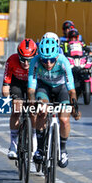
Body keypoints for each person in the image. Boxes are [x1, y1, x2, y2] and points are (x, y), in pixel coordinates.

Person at [27, 38, 81, 168]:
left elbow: (71, 89)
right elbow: (31, 88)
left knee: (64, 119)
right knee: (42, 111)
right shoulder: (35, 61)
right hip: (44, 88)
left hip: (61, 88)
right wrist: (33, 103)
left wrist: (74, 107)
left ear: (57, 56)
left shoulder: (63, 61)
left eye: (51, 59)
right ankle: (40, 149)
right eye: (45, 60)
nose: (48, 63)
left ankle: (62, 150)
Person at [2, 38, 38, 159]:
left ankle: (33, 136)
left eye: (29, 60)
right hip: (16, 83)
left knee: (33, 111)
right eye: (22, 60)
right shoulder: (11, 60)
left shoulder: (38, 62)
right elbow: (5, 86)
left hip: (31, 85)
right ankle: (13, 144)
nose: (26, 64)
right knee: (16, 109)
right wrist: (7, 100)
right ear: (18, 56)